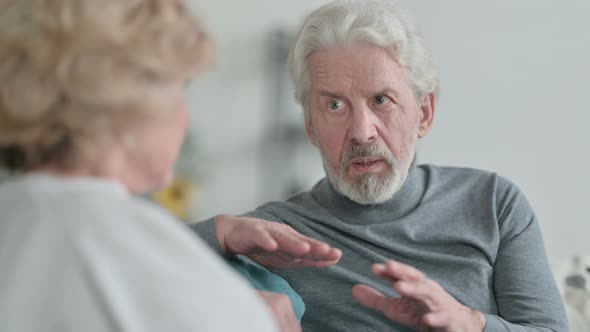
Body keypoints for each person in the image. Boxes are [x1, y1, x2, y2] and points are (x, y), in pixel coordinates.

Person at [191, 0, 568, 331]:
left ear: (424, 112)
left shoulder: (492, 204)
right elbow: (135, 270)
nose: (361, 132)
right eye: (334, 106)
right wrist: (221, 231)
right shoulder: (277, 236)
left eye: (381, 100)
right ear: (310, 126)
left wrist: (469, 323)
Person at [0, 0, 299, 331]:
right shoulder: (129, 254)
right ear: (130, 104)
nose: (185, 116)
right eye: (181, 90)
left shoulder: (18, 217)